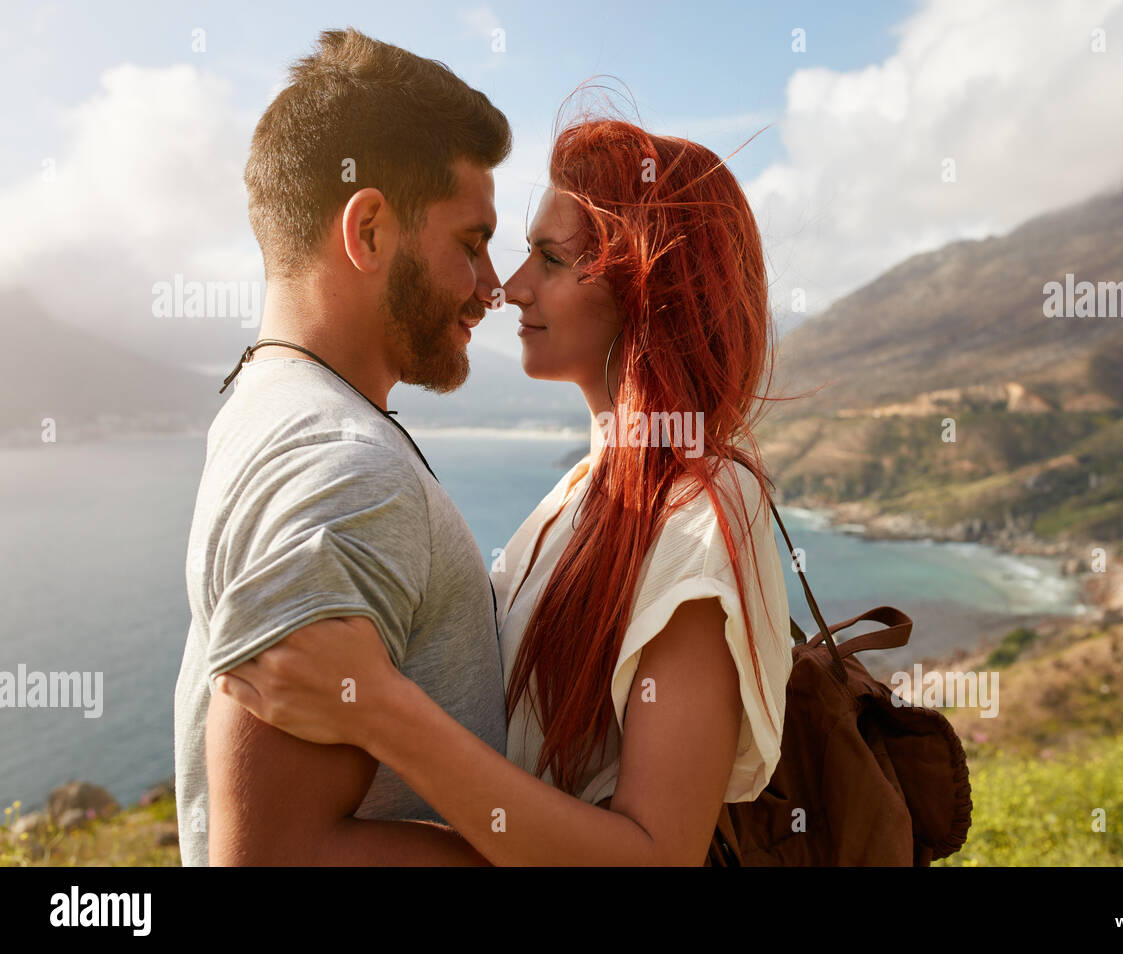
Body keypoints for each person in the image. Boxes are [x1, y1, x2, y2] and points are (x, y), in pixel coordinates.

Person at [214, 110, 796, 865]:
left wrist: (381, 711)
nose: (510, 288)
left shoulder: (702, 512)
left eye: (550, 259)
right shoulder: (579, 495)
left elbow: (658, 856)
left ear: (647, 291)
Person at [173, 27, 515, 865]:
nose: (493, 288)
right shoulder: (345, 468)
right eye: (471, 244)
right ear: (368, 231)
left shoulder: (264, 404)